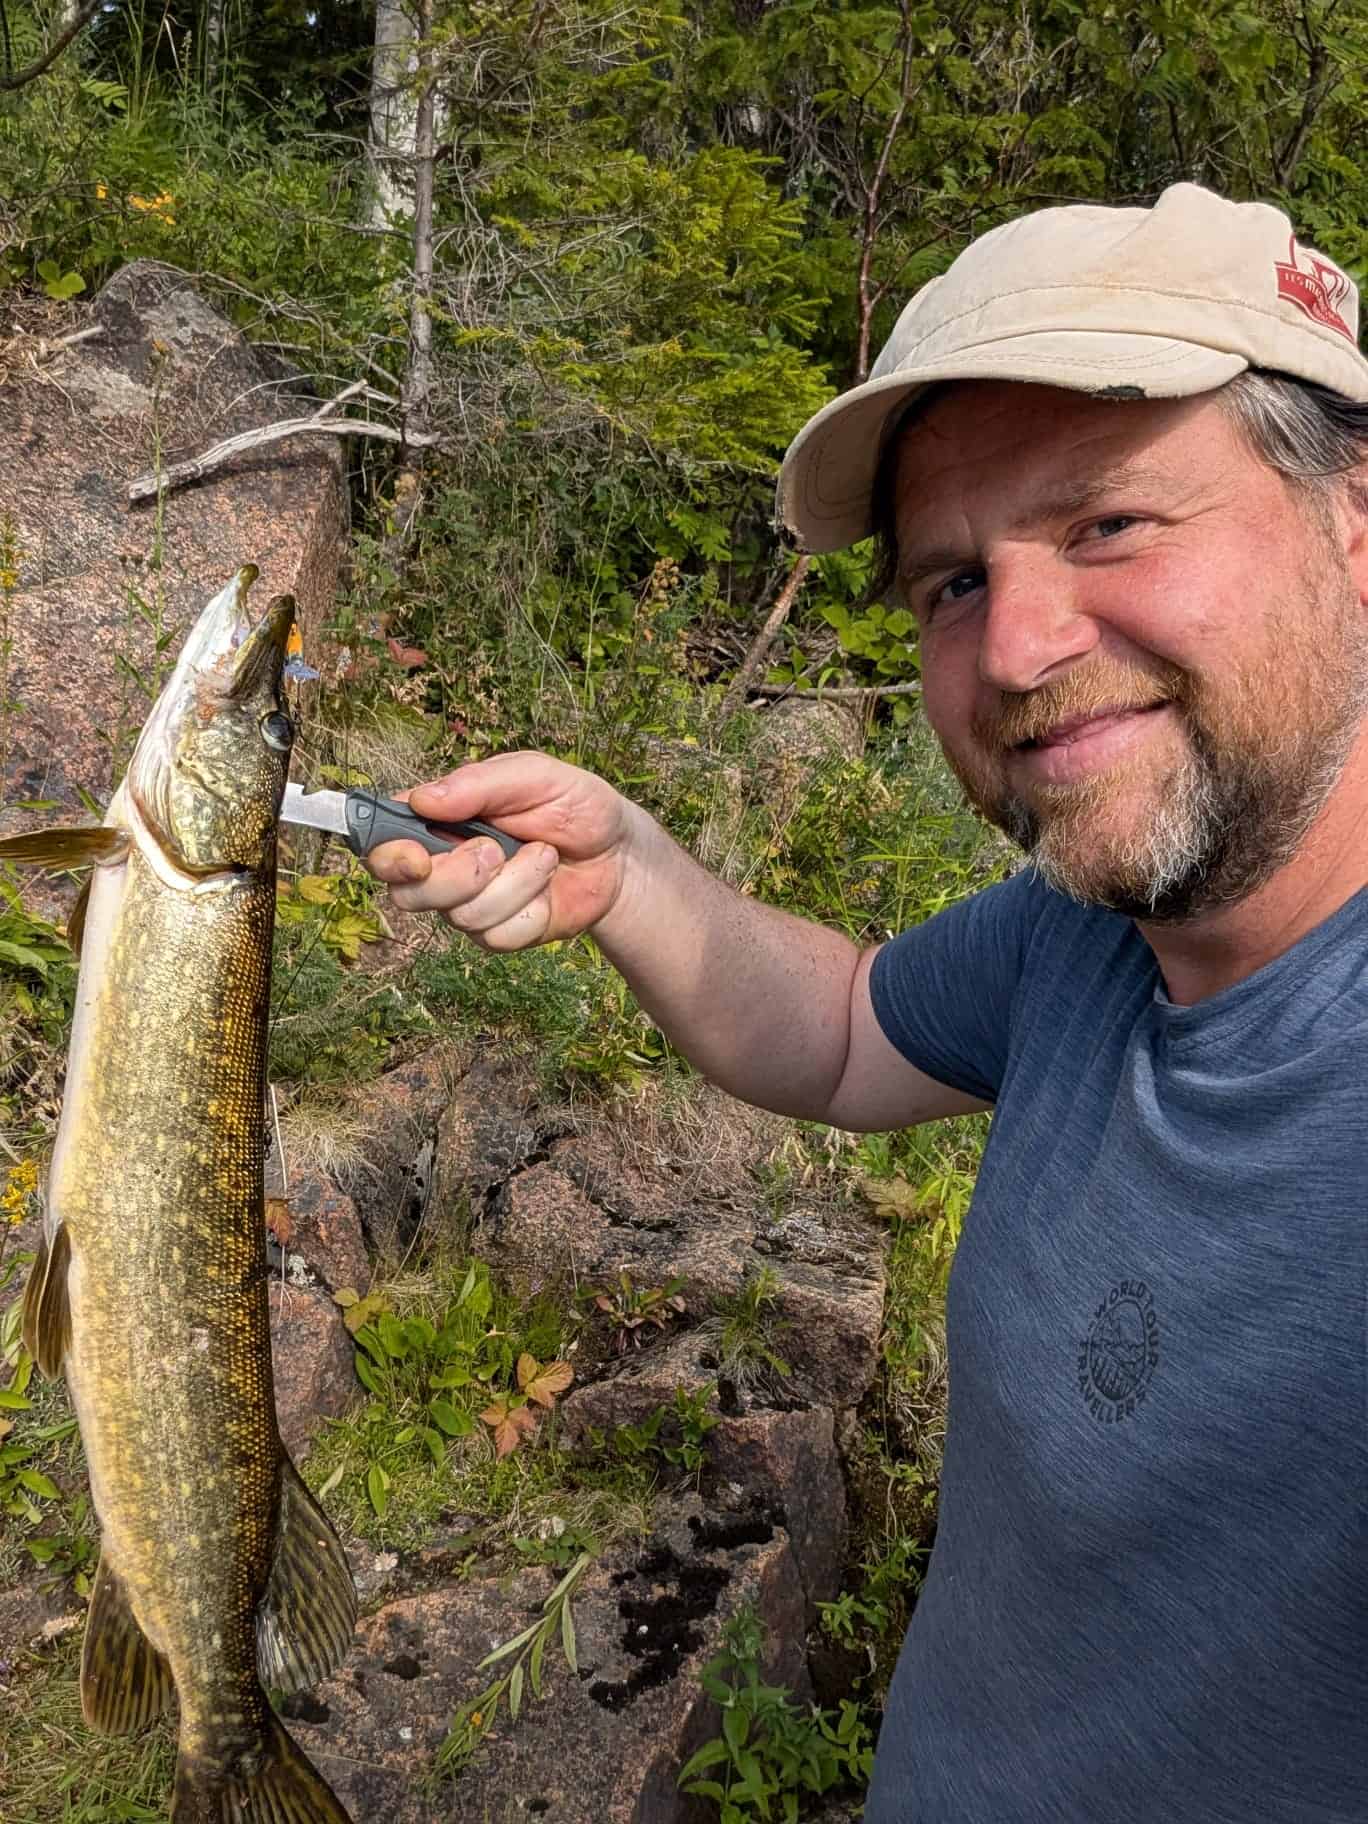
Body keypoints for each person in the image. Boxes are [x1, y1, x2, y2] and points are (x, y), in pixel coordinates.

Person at [365, 184, 1368, 1821]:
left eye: (1111, 521)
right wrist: (628, 869)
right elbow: (841, 1028)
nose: (1022, 649)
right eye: (952, 584)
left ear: (1352, 524)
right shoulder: (1081, 938)